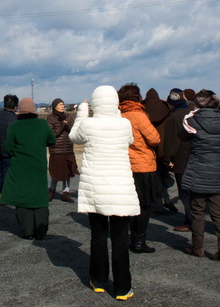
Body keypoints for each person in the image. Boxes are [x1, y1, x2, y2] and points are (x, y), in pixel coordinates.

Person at [70, 86, 139, 301]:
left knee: (98, 235)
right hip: (121, 188)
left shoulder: (89, 124)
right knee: (120, 239)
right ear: (115, 103)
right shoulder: (124, 123)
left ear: (95, 103)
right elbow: (129, 141)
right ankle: (122, 288)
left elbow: (74, 136)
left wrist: (82, 112)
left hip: (96, 187)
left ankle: (98, 280)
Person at [179, 90, 220, 263]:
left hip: (198, 170)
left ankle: (197, 247)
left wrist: (191, 115)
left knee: (197, 212)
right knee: (218, 213)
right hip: (217, 170)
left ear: (198, 104)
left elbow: (182, 136)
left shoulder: (192, 120)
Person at [0, 97, 56, 240]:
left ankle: (27, 231)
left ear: (20, 111)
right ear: (34, 110)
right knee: (39, 196)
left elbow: (8, 147)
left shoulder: (14, 126)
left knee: (23, 197)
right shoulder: (42, 124)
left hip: (20, 165)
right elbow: (52, 140)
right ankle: (41, 231)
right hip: (38, 165)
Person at [118, 83, 161, 253]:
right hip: (143, 164)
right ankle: (139, 239)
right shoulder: (138, 115)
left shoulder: (119, 114)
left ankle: (131, 236)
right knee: (144, 204)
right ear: (136, 97)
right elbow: (155, 139)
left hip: (126, 164)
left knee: (131, 203)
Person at [162, 88, 193, 230]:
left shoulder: (173, 117)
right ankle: (196, 221)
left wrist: (167, 159)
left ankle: (189, 222)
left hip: (181, 158)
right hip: (196, 156)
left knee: (185, 192)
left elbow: (171, 142)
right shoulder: (193, 113)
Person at [142, 88, 173, 214]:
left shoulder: (142, 109)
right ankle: (164, 201)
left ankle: (149, 202)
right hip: (162, 146)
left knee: (146, 178)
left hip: (146, 148)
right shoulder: (166, 109)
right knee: (162, 177)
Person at [46, 98, 78, 202]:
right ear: (55, 106)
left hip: (68, 149)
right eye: (60, 104)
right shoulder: (50, 118)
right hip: (56, 149)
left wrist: (67, 125)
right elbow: (52, 134)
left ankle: (66, 193)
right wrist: (62, 126)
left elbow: (72, 132)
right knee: (56, 172)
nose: (62, 106)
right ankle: (52, 191)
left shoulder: (68, 117)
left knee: (67, 172)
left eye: (63, 104)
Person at [0, 94, 18, 202]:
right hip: (8, 148)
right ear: (15, 106)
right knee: (7, 170)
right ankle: (6, 193)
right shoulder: (15, 118)